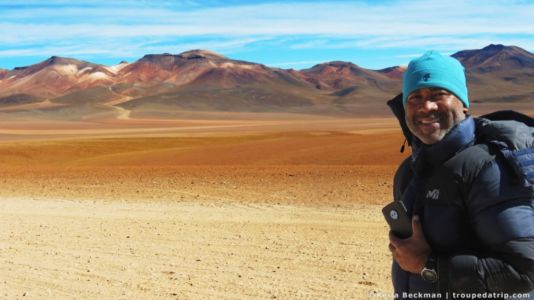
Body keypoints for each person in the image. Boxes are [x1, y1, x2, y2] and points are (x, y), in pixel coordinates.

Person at [386, 51, 534, 299]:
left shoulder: (488, 167)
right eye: (415, 97)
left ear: (463, 102)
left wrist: (428, 265)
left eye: (438, 94)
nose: (426, 106)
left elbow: (525, 271)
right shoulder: (409, 172)